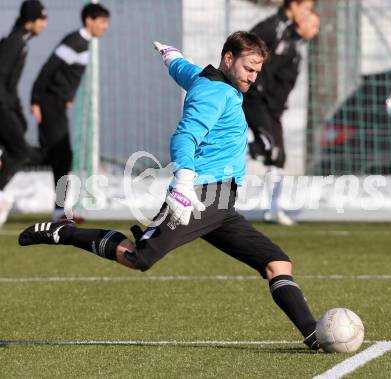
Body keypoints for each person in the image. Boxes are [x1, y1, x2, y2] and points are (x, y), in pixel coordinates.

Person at [19, 31, 320, 350]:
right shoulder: (216, 93)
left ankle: (312, 334)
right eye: (249, 68)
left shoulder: (209, 81)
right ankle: (63, 232)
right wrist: (183, 184)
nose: (253, 77)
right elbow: (184, 137)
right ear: (228, 59)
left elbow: (186, 70)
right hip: (198, 198)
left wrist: (171, 57)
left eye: (257, 71)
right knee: (138, 258)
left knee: (277, 262)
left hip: (221, 206)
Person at [30, 3, 110, 222]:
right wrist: (36, 100)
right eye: (102, 22)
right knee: (58, 154)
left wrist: (68, 97)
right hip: (49, 102)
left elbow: (65, 76)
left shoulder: (83, 43)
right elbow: (48, 69)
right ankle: (10, 156)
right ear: (89, 21)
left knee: (60, 155)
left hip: (57, 103)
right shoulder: (74, 41)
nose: (106, 27)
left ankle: (59, 211)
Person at [243, 0, 319, 225]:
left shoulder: (291, 40)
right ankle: (227, 156)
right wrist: (250, 84)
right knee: (268, 147)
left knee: (278, 156)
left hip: (272, 107)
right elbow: (244, 50)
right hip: (255, 100)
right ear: (294, 5)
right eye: (306, 9)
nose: (308, 16)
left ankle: (273, 209)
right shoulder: (271, 28)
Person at [0, 0, 48, 226]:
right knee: (19, 150)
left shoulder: (20, 41)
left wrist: (18, 115)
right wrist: (9, 112)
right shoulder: (14, 42)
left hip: (6, 105)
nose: (45, 24)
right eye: (42, 19)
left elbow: (11, 85)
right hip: (1, 106)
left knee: (15, 149)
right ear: (30, 21)